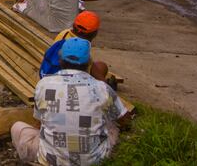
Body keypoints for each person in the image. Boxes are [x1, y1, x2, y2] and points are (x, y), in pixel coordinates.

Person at [12, 38, 129, 166]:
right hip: (93, 162)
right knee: (112, 125)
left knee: (17, 127)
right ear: (89, 63)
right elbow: (124, 119)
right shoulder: (102, 88)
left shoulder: (44, 85)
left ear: (60, 61)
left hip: (51, 160)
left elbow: (40, 122)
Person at [40, 11, 109, 82]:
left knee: (99, 66)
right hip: (68, 79)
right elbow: (86, 68)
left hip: (49, 72)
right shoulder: (81, 46)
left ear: (73, 25)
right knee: (102, 67)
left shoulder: (65, 33)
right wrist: (105, 84)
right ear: (94, 34)